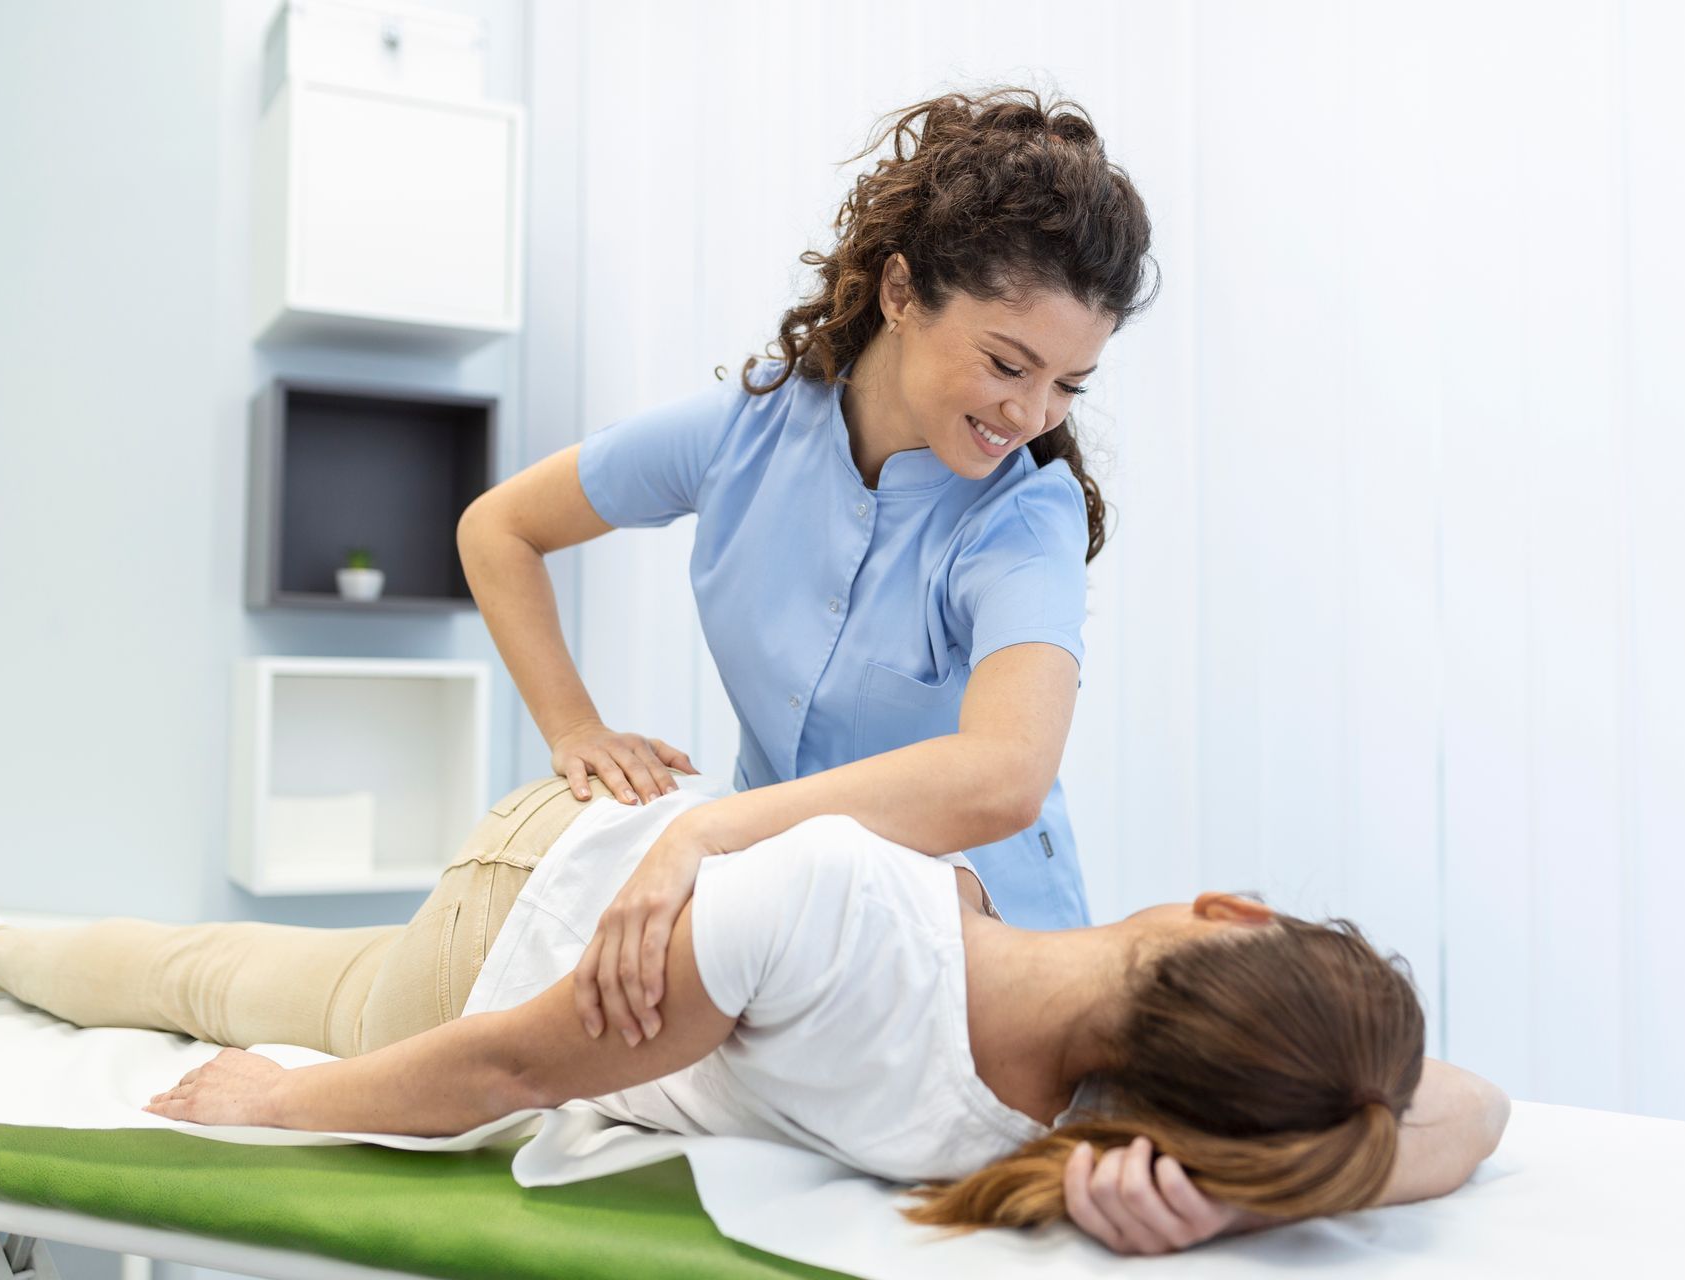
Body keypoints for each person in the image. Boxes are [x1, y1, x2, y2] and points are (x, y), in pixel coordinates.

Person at [0, 775, 1508, 1253]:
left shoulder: (837, 906)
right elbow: (1456, 1111)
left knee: (212, 985)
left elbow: (504, 1062)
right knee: (214, 969)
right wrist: (1229, 1200)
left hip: (502, 945)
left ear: (1231, 915)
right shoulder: (1089, 1121)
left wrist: (280, 1102)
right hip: (593, 876)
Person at [453, 85, 1160, 1051]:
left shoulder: (1023, 518)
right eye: (1008, 365)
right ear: (902, 292)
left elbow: (1005, 777)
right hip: (778, 944)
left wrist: (711, 833)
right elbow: (499, 529)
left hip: (982, 971)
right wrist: (574, 727)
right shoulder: (746, 434)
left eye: (1068, 385)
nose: (1034, 415)